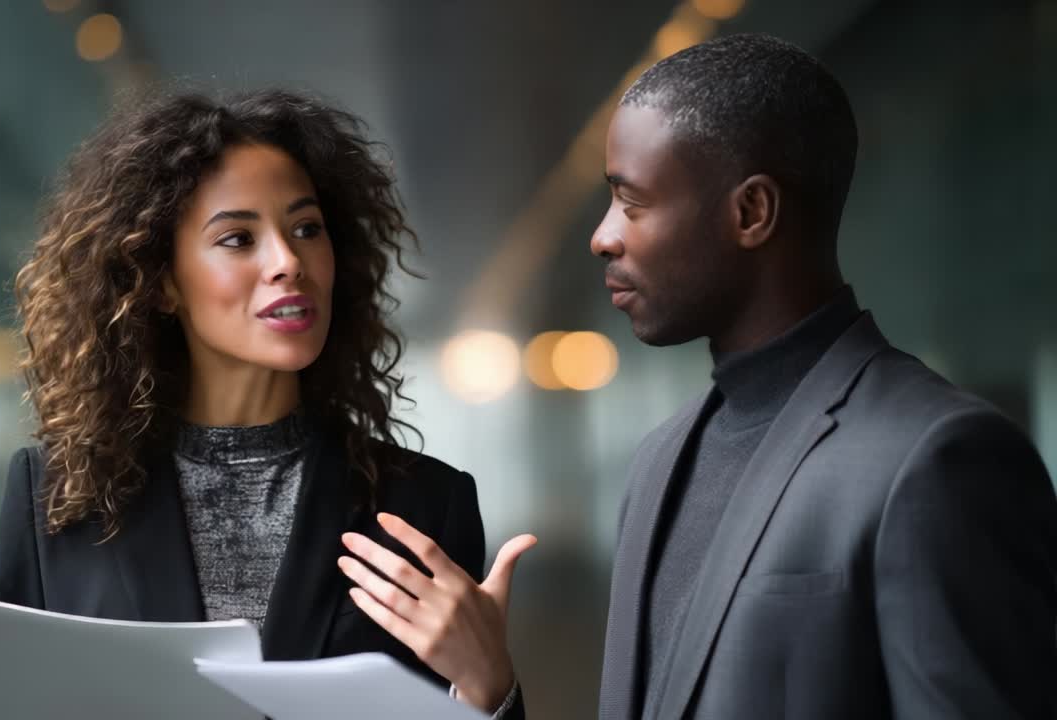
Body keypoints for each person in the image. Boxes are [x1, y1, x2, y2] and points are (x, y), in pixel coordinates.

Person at [343, 33, 1057, 720]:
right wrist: (489, 690)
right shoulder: (660, 459)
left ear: (751, 212)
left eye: (632, 202)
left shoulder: (935, 459)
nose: (602, 236)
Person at [0, 88, 523, 714]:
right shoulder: (57, 497)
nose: (288, 261)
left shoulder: (425, 506)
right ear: (160, 282)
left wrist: (489, 689)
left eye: (307, 229)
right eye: (238, 238)